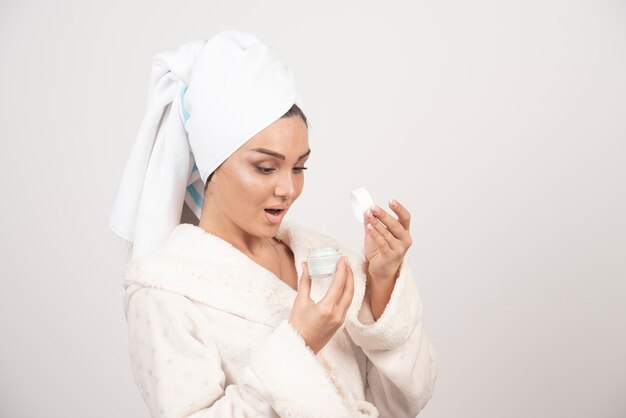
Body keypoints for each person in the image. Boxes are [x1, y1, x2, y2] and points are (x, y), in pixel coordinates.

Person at [110, 31, 437, 418]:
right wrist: (298, 344)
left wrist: (382, 283)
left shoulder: (320, 258)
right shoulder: (165, 292)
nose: (288, 188)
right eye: (265, 168)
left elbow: (397, 404)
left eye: (299, 167)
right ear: (212, 165)